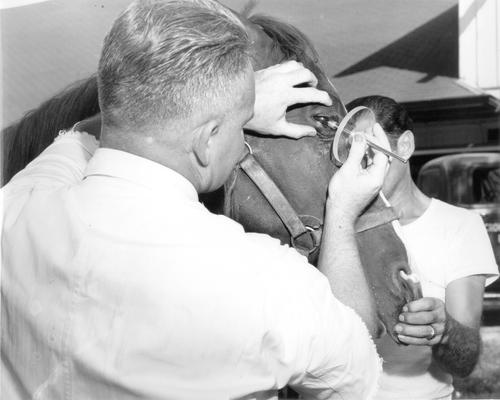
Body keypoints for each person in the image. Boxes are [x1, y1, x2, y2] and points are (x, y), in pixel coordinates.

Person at [1, 1, 391, 399]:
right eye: (242, 125)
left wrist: (222, 112)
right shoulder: (266, 282)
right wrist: (342, 209)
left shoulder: (18, 206)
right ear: (207, 142)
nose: (241, 139)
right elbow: (354, 359)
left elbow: (83, 133)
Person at [346, 95, 499, 400]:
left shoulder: (460, 227)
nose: (358, 164)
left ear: (404, 146)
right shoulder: (332, 226)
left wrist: (443, 330)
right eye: (346, 154)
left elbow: (464, 362)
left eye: (368, 149)